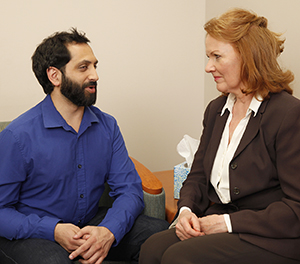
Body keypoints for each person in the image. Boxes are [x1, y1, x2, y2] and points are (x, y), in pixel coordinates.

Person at [139, 8, 300, 264]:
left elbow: (296, 209)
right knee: (151, 248)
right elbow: (199, 175)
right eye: (208, 56)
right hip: (220, 220)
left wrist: (226, 223)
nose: (207, 67)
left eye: (216, 56)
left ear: (248, 57)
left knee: (178, 258)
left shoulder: (288, 114)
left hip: (269, 237)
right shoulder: (216, 110)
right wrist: (186, 211)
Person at [0, 28, 169, 264]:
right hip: (36, 235)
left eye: (94, 66)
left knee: (162, 236)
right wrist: (54, 230)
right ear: (54, 76)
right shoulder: (17, 136)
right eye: (83, 67)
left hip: (91, 224)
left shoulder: (107, 126)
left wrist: (108, 231)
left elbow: (129, 191)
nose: (95, 75)